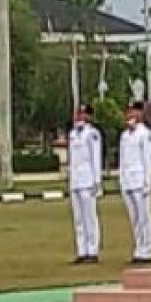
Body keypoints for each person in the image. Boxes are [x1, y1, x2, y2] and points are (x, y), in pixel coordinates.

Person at [119, 100, 151, 265]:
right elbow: (122, 160)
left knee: (144, 217)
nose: (130, 115)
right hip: (128, 181)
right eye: (128, 112)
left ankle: (147, 250)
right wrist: (122, 180)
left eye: (134, 111)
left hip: (140, 180)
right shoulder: (125, 135)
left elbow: (147, 160)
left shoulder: (145, 134)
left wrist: (148, 182)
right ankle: (138, 248)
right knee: (134, 218)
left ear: (141, 114)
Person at [68, 104, 103, 264]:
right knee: (78, 218)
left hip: (88, 180)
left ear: (89, 117)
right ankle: (81, 250)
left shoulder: (92, 134)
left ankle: (92, 250)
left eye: (83, 114)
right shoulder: (73, 134)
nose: (79, 117)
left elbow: (95, 158)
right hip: (75, 180)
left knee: (89, 217)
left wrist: (97, 180)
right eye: (78, 114)